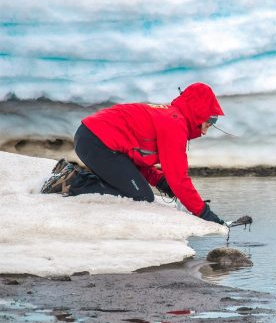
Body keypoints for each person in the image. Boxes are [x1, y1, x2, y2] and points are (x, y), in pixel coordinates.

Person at [41, 82, 226, 224]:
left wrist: (160, 181)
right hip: (97, 142)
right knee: (141, 195)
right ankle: (72, 181)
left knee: (136, 187)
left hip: (91, 137)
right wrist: (204, 214)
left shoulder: (170, 117)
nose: (204, 132)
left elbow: (132, 160)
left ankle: (69, 174)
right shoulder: (175, 124)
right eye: (207, 124)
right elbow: (179, 178)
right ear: (198, 114)